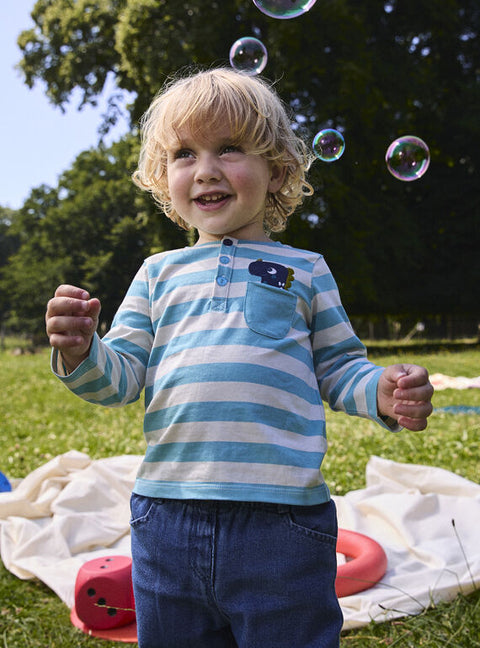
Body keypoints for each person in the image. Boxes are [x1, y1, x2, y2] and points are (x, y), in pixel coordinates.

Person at [45, 67, 433, 648]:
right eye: (183, 154)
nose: (204, 169)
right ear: (163, 176)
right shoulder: (157, 273)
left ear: (276, 169)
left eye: (229, 148)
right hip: (167, 517)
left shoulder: (307, 269)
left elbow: (339, 366)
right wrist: (82, 352)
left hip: (282, 525)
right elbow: (121, 377)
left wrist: (380, 389)